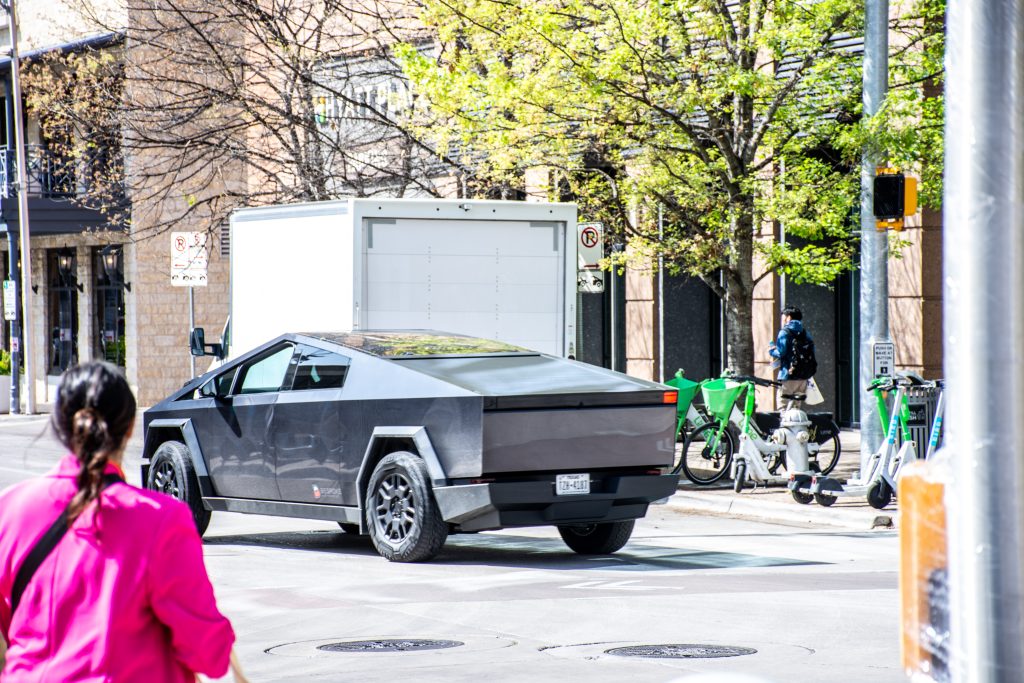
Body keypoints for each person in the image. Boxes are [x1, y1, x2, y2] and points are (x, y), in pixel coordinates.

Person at [0, 361, 238, 682]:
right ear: (129, 428)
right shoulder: (162, 519)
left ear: (59, 424)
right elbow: (209, 654)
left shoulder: (9, 510)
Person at [768, 305, 816, 409]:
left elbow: (781, 353)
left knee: (783, 407)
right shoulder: (805, 333)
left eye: (783, 317)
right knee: (796, 407)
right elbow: (812, 351)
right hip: (804, 376)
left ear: (788, 317)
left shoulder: (784, 332)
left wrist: (772, 350)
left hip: (788, 375)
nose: (782, 320)